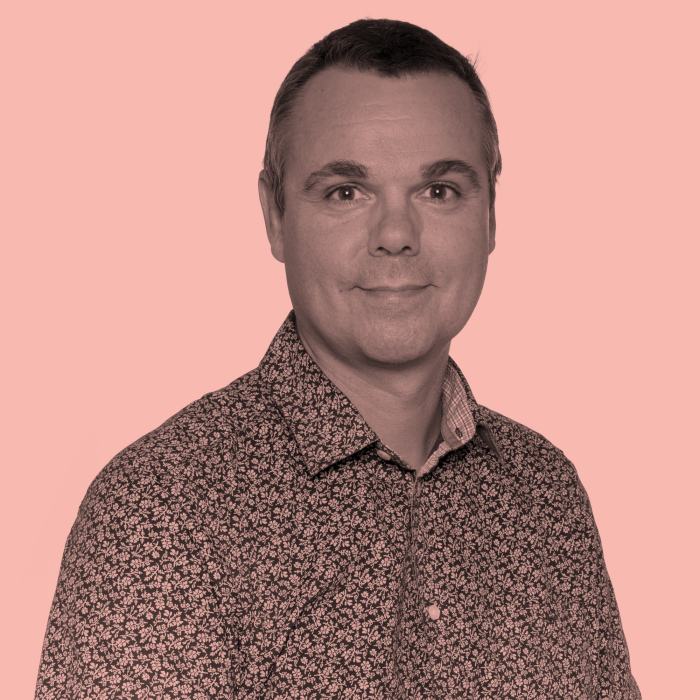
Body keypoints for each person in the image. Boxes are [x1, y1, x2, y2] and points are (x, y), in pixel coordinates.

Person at [34, 18, 641, 698]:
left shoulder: (546, 498)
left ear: (491, 214)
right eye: (346, 193)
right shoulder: (161, 514)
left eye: (439, 190)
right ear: (274, 217)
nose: (396, 234)